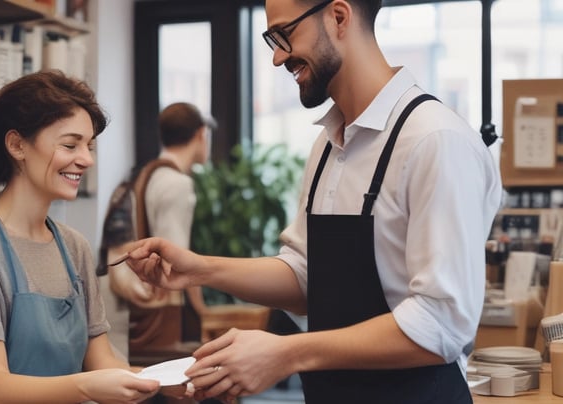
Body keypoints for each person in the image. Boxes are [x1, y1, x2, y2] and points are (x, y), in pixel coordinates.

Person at [122, 1, 503, 403]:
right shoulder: (328, 145)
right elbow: (307, 277)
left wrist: (286, 353)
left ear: (338, 17)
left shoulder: (434, 140)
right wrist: (200, 269)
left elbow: (440, 323)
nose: (276, 57)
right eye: (271, 39)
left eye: (284, 34)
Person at [0, 71, 160, 403]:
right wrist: (85, 386)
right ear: (17, 145)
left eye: (89, 145)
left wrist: (168, 381)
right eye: (70, 144)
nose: (87, 159)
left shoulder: (74, 246)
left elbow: (103, 362)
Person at [110, 102, 215, 357]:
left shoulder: (143, 175)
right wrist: (203, 315)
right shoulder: (176, 183)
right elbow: (177, 258)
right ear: (201, 134)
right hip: (160, 314)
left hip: (127, 310)